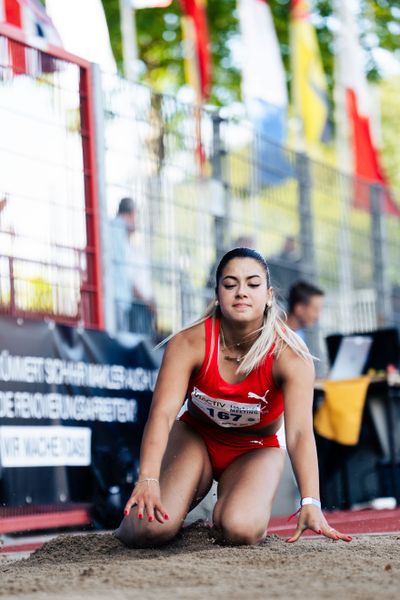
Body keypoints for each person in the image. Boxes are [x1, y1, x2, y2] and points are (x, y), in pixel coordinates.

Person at [116, 247, 351, 547]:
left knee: (239, 529)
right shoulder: (189, 343)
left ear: (268, 295)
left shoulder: (291, 355)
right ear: (217, 294)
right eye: (230, 284)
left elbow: (301, 432)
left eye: (252, 284)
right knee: (151, 529)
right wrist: (147, 478)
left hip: (255, 448)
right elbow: (161, 415)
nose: (241, 292)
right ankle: (131, 525)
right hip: (195, 438)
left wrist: (311, 500)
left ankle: (217, 516)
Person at [110, 197, 156, 335]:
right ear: (130, 214)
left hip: (120, 298)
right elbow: (127, 273)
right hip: (121, 298)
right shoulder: (118, 231)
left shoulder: (116, 231)